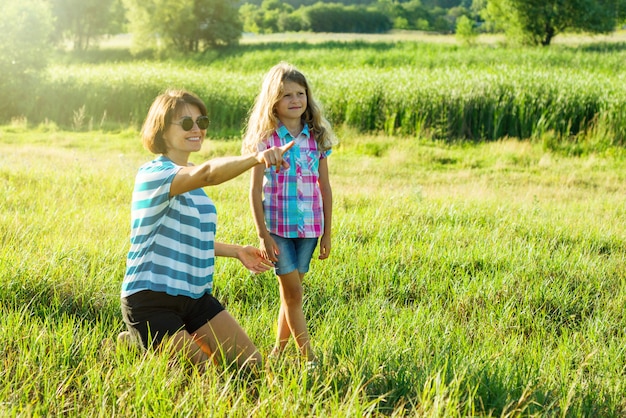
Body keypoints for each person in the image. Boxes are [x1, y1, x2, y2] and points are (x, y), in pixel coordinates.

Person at [119, 89, 294, 373]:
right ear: (162, 129)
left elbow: (191, 236)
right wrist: (257, 158)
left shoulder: (192, 181)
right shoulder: (154, 175)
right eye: (186, 123)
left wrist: (236, 251)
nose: (197, 129)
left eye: (202, 122)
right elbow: (209, 173)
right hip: (151, 299)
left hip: (195, 297)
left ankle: (138, 342)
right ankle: (139, 339)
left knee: (253, 367)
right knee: (201, 376)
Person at [242, 62, 337, 366]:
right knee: (294, 294)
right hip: (278, 230)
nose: (295, 100)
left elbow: (325, 187)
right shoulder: (266, 140)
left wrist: (327, 232)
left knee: (291, 295)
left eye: (300, 93)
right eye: (286, 96)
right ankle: (308, 357)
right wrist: (262, 233)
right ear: (273, 101)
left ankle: (278, 351)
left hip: (309, 229)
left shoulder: (316, 138)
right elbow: (254, 191)